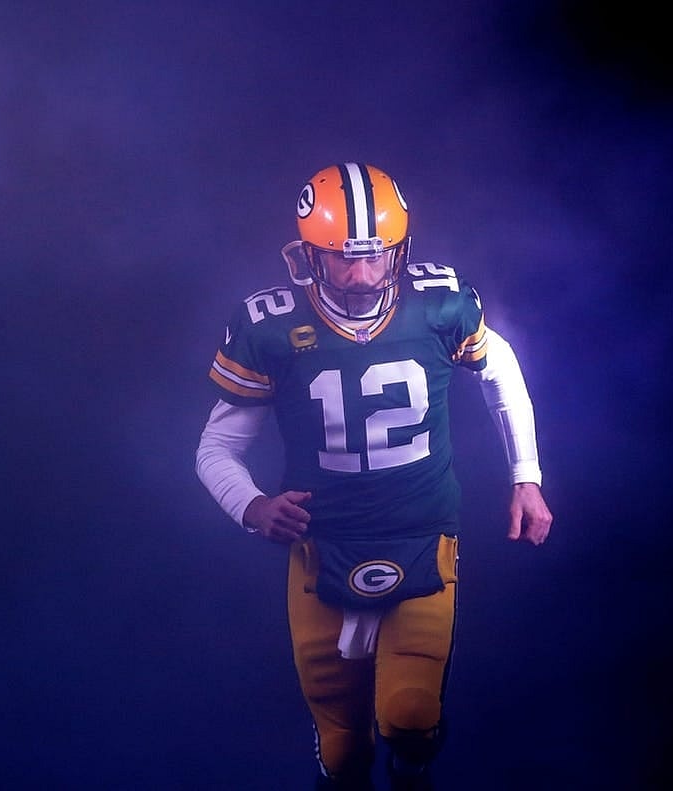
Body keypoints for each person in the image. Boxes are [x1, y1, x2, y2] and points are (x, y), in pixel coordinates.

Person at [195, 162, 553, 790]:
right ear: (309, 255)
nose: (361, 276)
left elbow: (501, 370)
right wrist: (252, 506)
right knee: (341, 751)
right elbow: (216, 447)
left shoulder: (440, 304)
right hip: (321, 544)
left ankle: (414, 774)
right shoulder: (271, 329)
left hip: (422, 532)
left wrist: (526, 475)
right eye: (342, 259)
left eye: (376, 257)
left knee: (410, 715)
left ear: (400, 250)